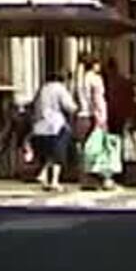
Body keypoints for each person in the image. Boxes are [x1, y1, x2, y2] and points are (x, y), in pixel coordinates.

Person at [29, 69, 79, 191]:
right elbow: (69, 106)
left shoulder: (42, 89)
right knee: (58, 154)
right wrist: (77, 108)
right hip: (55, 125)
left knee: (48, 153)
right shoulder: (59, 89)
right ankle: (54, 181)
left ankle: (44, 175)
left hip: (39, 127)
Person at [77, 54, 119, 191]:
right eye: (98, 64)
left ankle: (85, 179)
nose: (100, 67)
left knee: (86, 149)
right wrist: (101, 119)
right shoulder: (95, 79)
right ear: (93, 65)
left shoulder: (80, 79)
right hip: (95, 116)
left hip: (81, 116)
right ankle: (105, 179)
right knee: (101, 149)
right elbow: (97, 99)